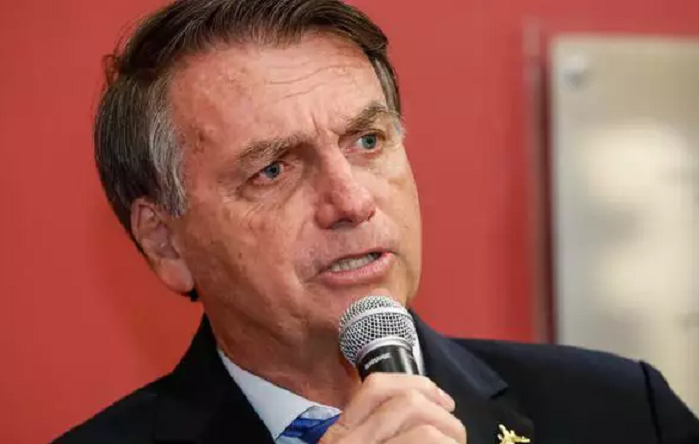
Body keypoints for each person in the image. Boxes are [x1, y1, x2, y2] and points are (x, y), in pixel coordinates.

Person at [53, 0, 699, 442]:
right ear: (166, 242)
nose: (352, 201)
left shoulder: (622, 412)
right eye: (273, 169)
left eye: (367, 142)